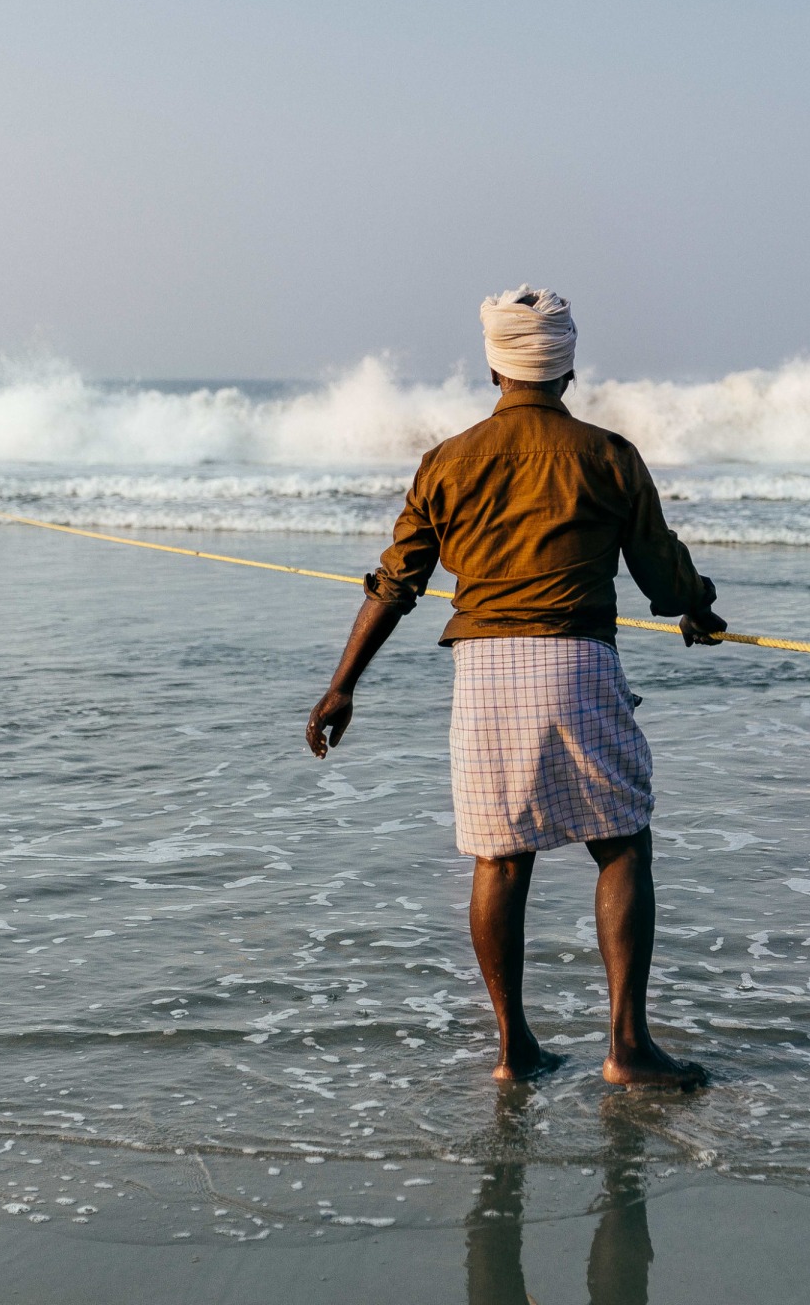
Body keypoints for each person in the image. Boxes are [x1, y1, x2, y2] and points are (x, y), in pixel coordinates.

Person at [306, 287, 725, 1087]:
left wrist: (341, 687)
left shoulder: (447, 460)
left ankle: (513, 1050)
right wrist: (699, 608)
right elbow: (661, 574)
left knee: (501, 857)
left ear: (494, 367)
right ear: (568, 368)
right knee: (621, 840)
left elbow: (396, 584)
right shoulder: (608, 454)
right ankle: (627, 1049)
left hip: (485, 672)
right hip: (576, 660)